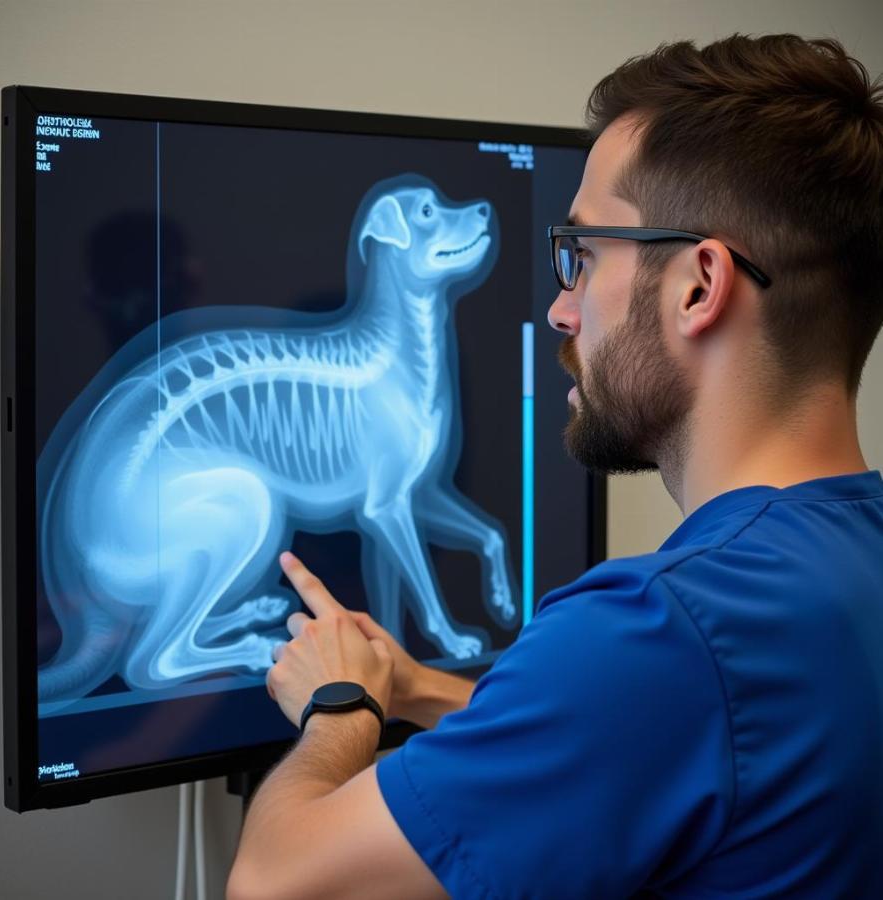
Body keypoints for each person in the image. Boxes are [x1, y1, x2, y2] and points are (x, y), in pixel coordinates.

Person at [227, 34, 883, 899]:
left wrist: (341, 705)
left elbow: (276, 884)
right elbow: (667, 747)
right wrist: (423, 687)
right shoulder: (839, 564)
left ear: (699, 285)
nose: (560, 308)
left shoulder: (657, 627)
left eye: (584, 255)